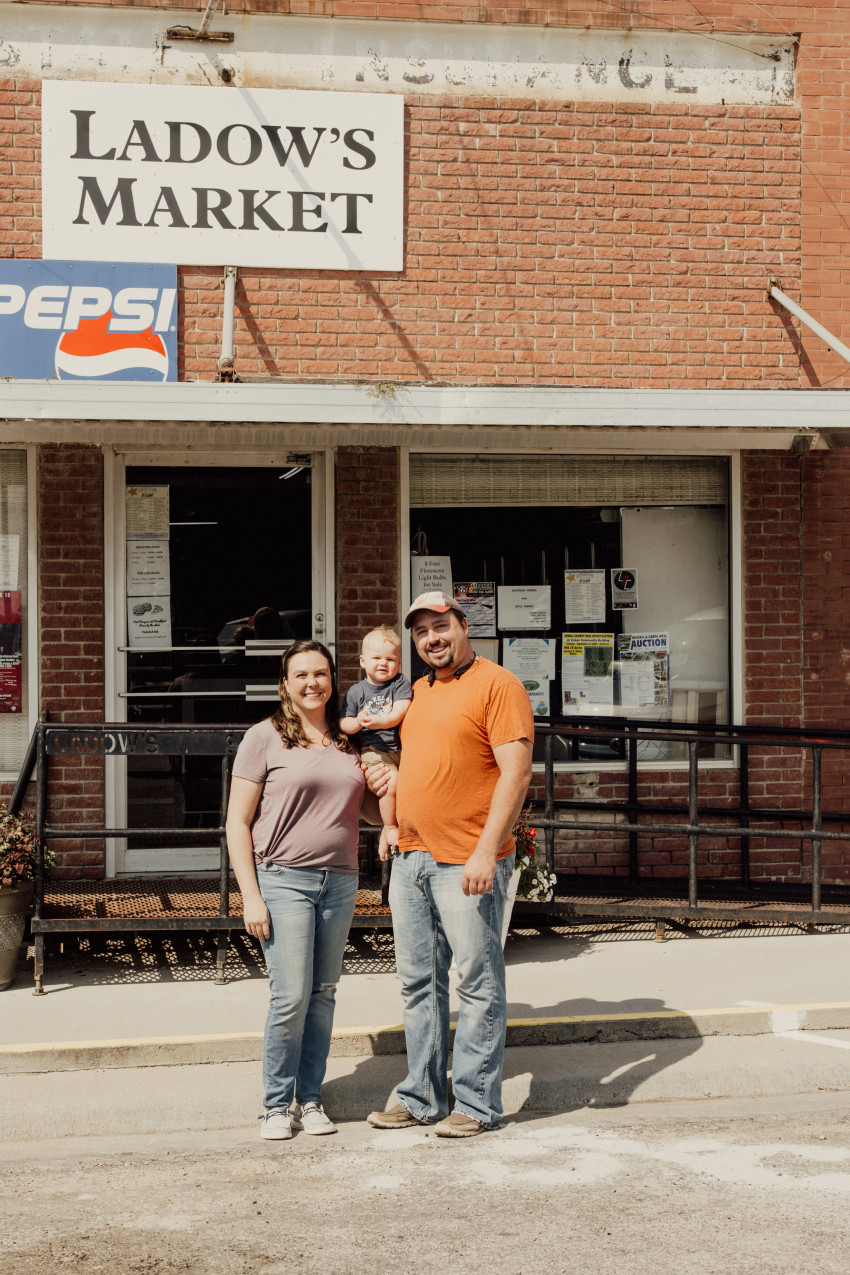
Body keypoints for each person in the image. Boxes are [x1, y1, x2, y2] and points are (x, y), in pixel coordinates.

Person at [367, 590, 534, 1138]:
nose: (432, 639)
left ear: (464, 626)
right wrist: (389, 820)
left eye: (441, 626)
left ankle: (477, 1104)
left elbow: (517, 773)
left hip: (467, 860)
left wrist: (488, 849)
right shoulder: (416, 691)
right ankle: (421, 1096)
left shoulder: (498, 685)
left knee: (477, 983)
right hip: (412, 857)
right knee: (419, 984)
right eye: (421, 632)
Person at [226, 639, 383, 1141]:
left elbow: (368, 813)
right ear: (285, 684)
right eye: (301, 675)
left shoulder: (347, 739)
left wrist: (389, 786)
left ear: (333, 680)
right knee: (290, 994)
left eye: (321, 674)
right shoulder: (264, 737)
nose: (312, 683)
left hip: (338, 881)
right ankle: (275, 1104)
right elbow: (236, 822)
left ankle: (309, 1098)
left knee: (322, 993)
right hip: (281, 880)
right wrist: (250, 895)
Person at [340, 627, 413, 830]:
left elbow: (400, 711)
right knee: (390, 783)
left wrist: (380, 721)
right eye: (377, 658)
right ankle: (389, 827)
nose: (383, 663)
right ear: (363, 661)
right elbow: (344, 723)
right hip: (374, 751)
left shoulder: (399, 683)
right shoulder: (356, 692)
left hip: (401, 749)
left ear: (398, 663)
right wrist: (358, 722)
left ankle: (408, 823)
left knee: (410, 786)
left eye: (390, 660)